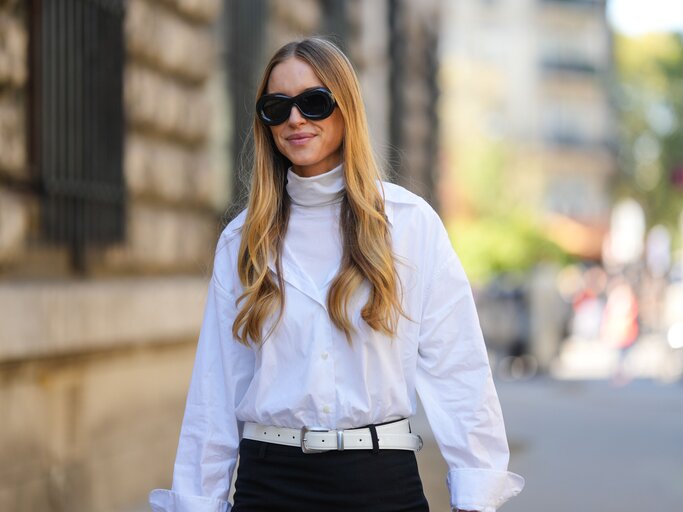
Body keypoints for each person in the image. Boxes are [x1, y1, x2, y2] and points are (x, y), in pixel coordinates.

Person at [149, 37, 524, 512]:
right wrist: (199, 502)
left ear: (345, 107)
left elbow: (458, 368)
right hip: (271, 487)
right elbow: (215, 391)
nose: (295, 119)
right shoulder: (243, 240)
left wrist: (476, 493)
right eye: (276, 107)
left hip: (381, 484)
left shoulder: (409, 224)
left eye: (314, 102)